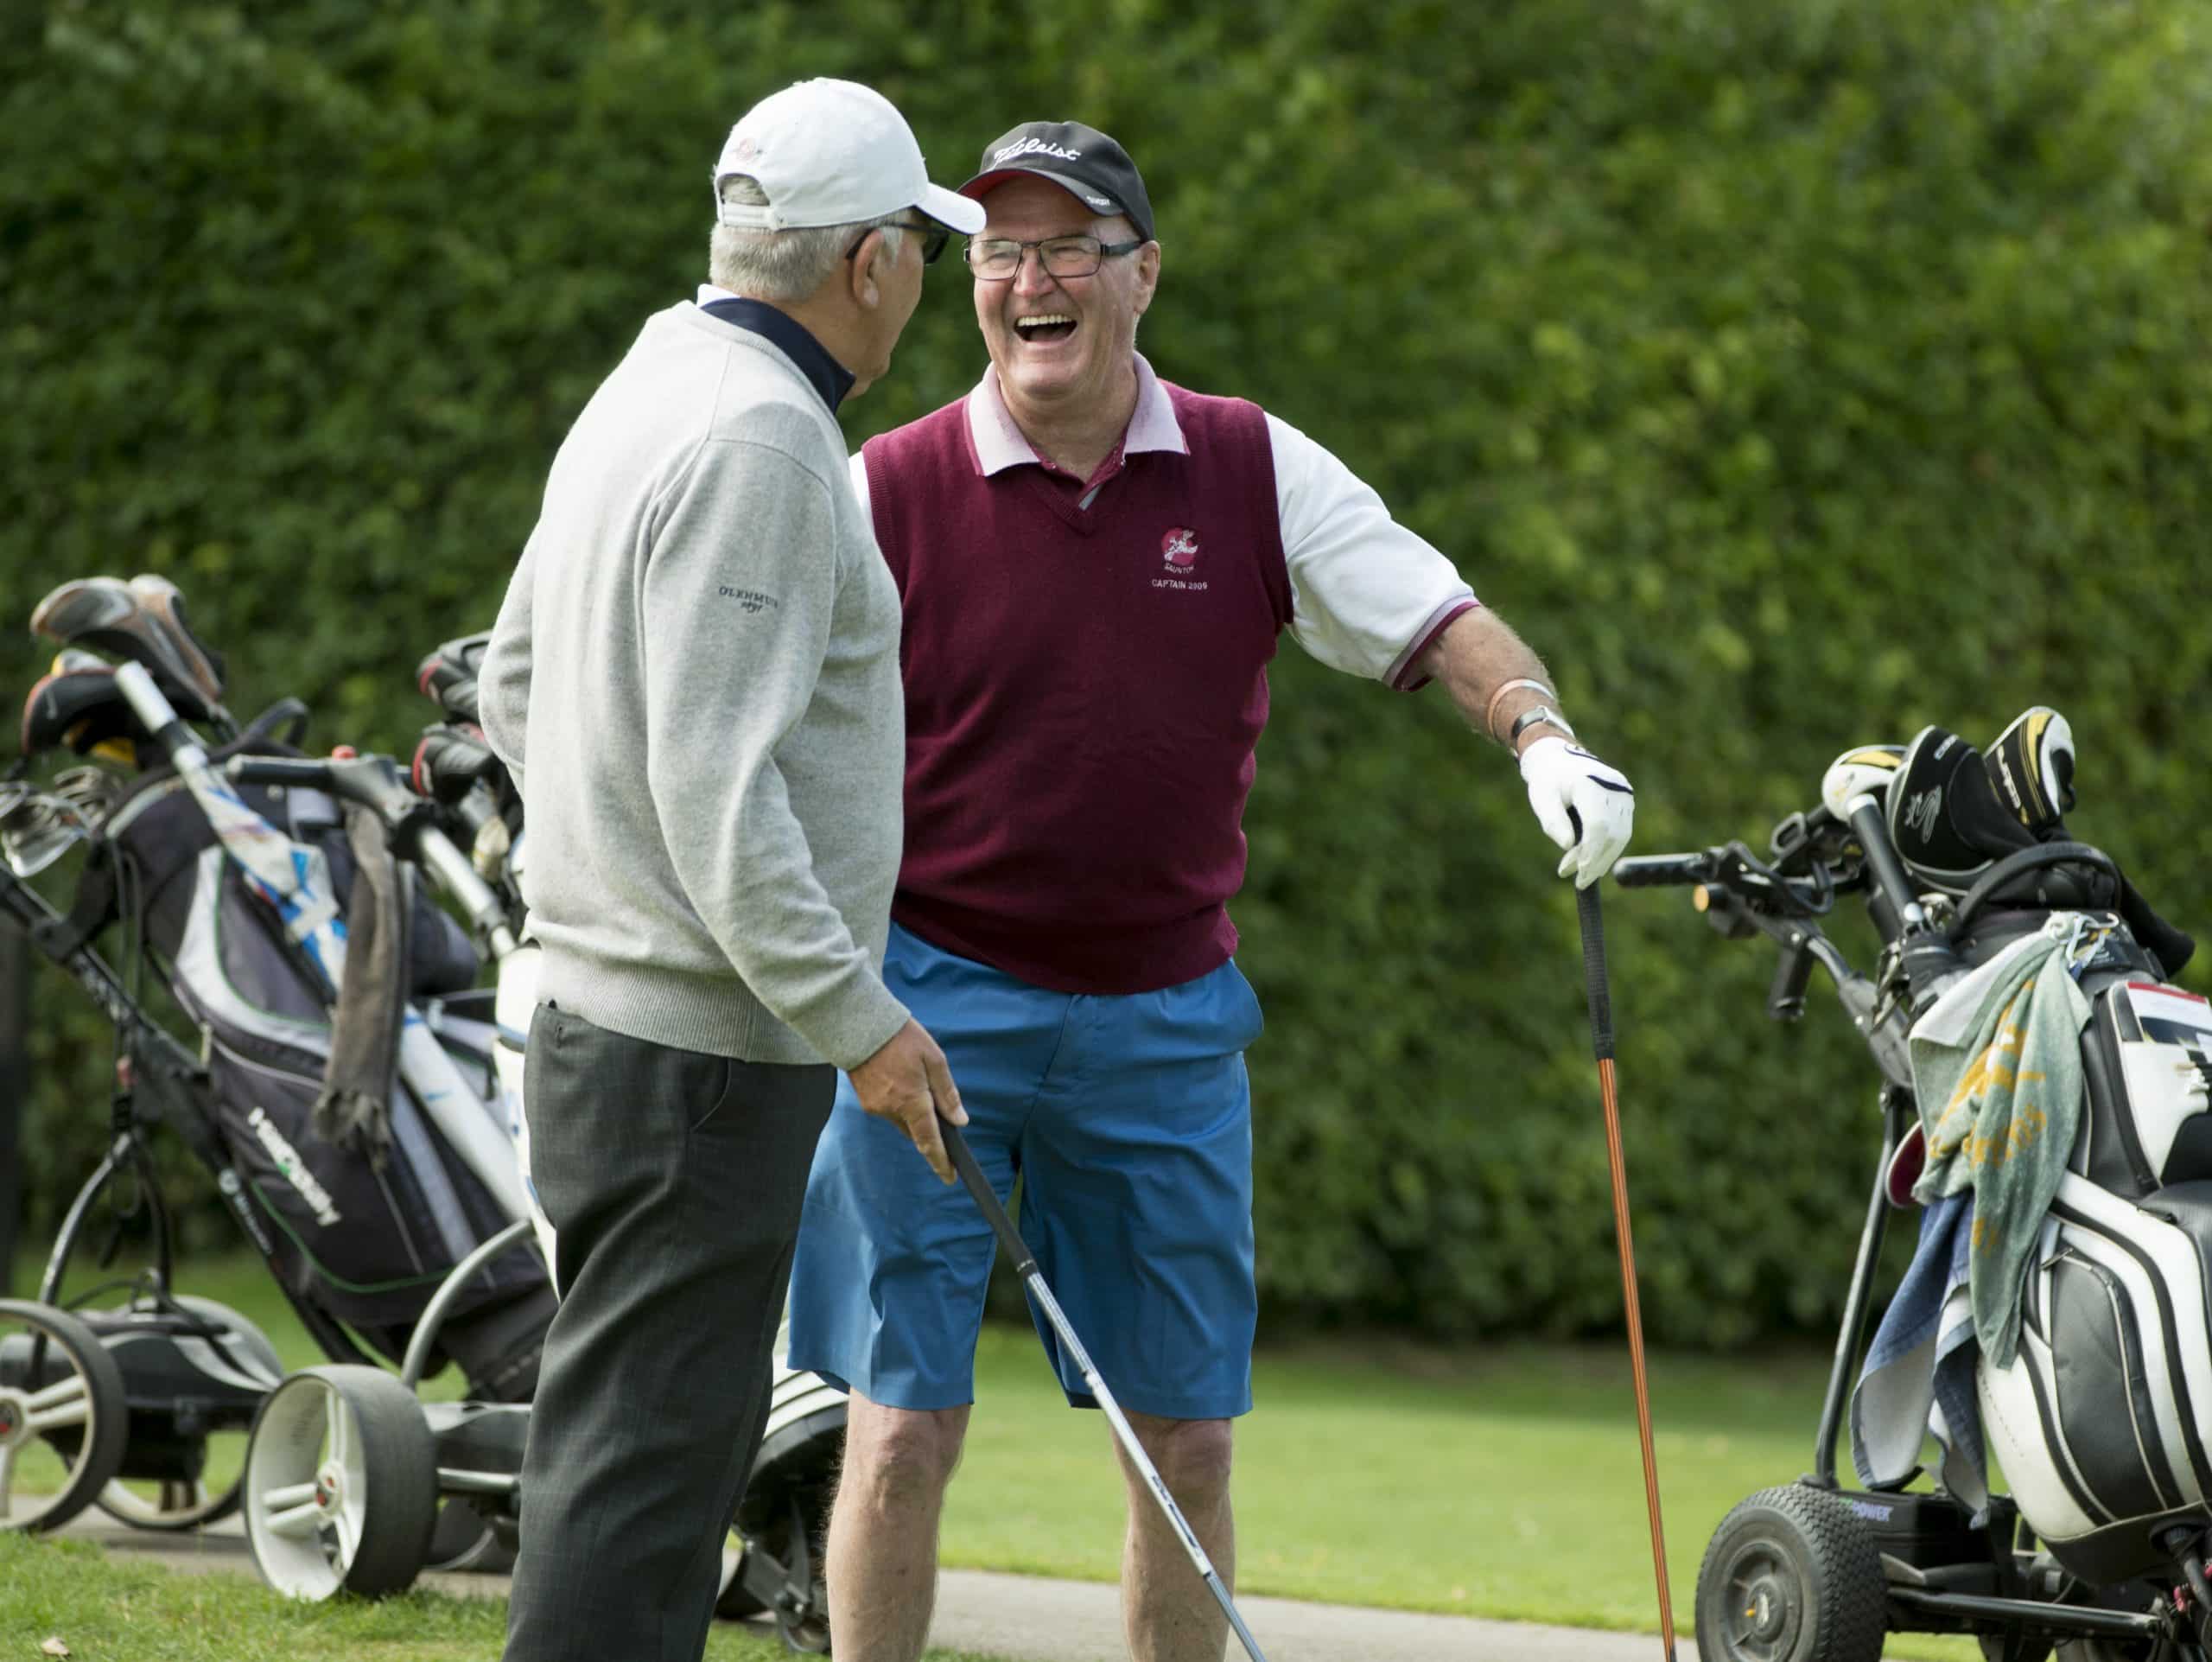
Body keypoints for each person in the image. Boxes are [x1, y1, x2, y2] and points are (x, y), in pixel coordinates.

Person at [785, 120, 1638, 1662]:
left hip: (1163, 1022)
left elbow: (1440, 613)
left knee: (1184, 1448)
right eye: (999, 251)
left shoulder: (1249, 464)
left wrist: (1543, 737)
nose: (1028, 279)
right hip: (929, 1007)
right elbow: (754, 707)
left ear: (1143, 275)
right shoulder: (883, 491)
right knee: (899, 1429)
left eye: (1067, 249)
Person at [477, 79, 980, 1662]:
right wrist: (864, 1023)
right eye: (921, 246)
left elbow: (510, 679)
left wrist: (599, 873)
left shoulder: (654, 375)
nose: (928, 282)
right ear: (872, 262)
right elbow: (720, 793)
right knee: (648, 1488)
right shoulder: (768, 436)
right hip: (700, 1058)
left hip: (601, 1026)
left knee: (623, 1460)